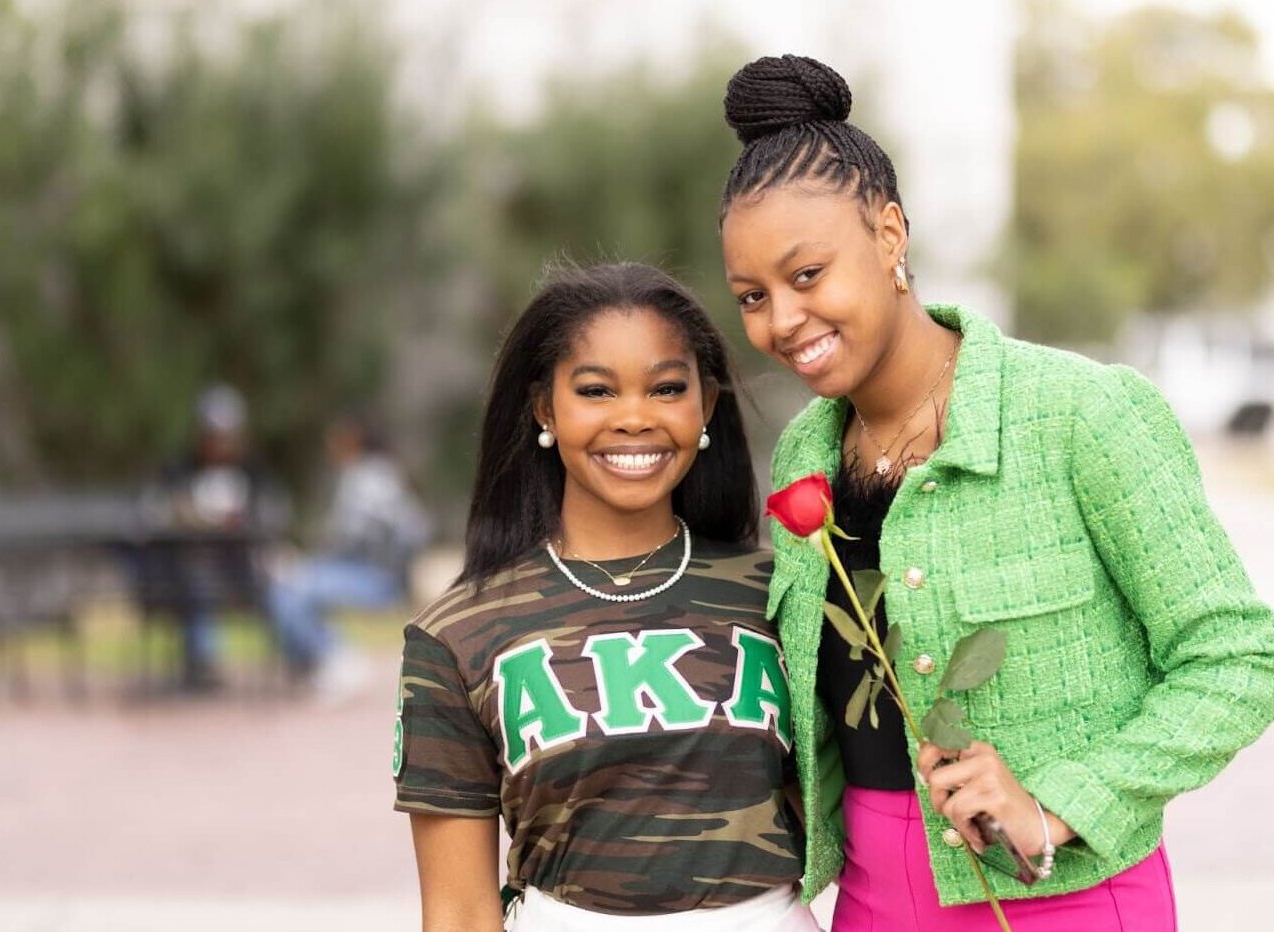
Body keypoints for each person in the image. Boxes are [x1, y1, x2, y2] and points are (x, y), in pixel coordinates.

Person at [718, 55, 1274, 931]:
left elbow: (1237, 659)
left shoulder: (1079, 415)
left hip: (1063, 897)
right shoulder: (803, 451)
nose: (782, 322)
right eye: (752, 296)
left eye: (807, 276)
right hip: (871, 904)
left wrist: (1061, 803)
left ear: (888, 235)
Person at [392, 262, 819, 932]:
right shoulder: (457, 634)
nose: (633, 419)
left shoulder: (782, 592)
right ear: (544, 408)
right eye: (595, 390)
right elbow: (458, 910)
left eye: (666, 389)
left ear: (705, 405)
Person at [267, 413, 430, 699]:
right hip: (365, 570)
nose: (330, 445)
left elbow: (356, 535)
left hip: (374, 576)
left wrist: (396, 566)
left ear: (353, 439)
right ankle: (320, 660)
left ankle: (336, 656)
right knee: (287, 588)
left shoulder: (369, 477)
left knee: (291, 587)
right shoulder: (374, 472)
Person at [139, 384, 288, 694]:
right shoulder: (179, 468)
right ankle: (201, 663)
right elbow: (152, 511)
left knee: (283, 586)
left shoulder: (252, 470)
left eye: (227, 434)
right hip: (188, 567)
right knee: (196, 580)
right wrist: (183, 512)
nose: (220, 442)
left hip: (240, 567)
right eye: (214, 433)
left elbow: (277, 511)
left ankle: (301, 657)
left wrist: (247, 517)